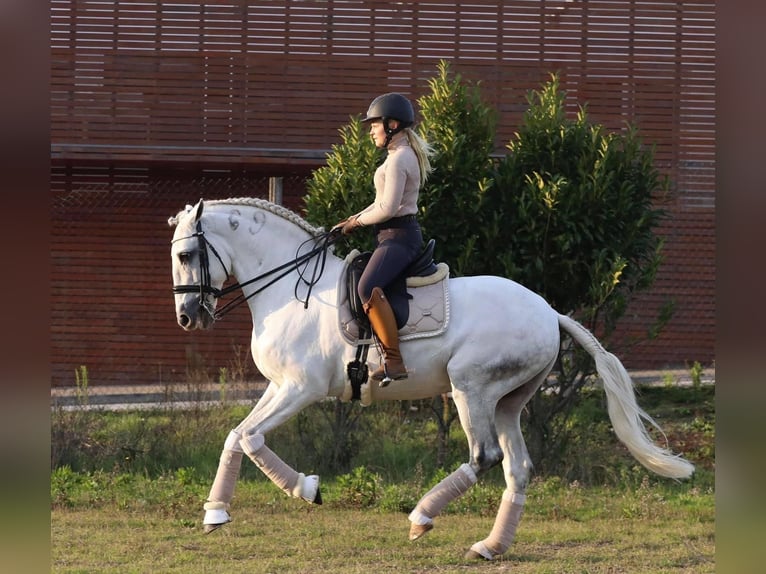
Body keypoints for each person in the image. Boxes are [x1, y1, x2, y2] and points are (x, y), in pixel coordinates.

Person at [333, 92, 434, 386]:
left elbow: (388, 209)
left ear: (392, 125)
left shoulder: (400, 158)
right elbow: (379, 204)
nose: (371, 130)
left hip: (400, 237)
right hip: (390, 236)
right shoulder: (396, 156)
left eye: (375, 124)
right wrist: (350, 220)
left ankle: (393, 360)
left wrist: (356, 222)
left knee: (366, 286)